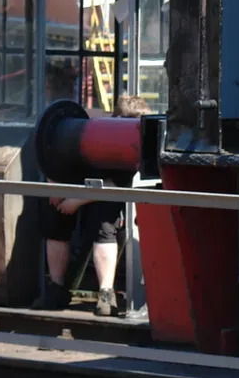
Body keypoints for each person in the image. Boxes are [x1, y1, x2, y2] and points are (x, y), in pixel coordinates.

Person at [31, 95, 152, 315]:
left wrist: (76, 201)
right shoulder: (90, 128)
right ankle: (57, 287)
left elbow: (114, 184)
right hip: (73, 176)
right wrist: (55, 185)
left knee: (104, 224)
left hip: (100, 192)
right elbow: (57, 153)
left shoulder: (134, 143)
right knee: (54, 218)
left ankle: (106, 293)